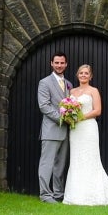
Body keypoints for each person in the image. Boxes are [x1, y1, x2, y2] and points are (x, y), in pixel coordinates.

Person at [62, 64, 108, 206]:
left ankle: (94, 194)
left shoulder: (94, 91)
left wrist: (80, 118)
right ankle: (75, 195)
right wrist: (68, 116)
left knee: (90, 159)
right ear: (77, 75)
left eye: (86, 73)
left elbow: (97, 111)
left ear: (90, 76)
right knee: (76, 159)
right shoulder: (72, 91)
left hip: (88, 128)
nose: (83, 75)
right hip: (75, 130)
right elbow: (67, 107)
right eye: (81, 73)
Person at [36, 53, 71, 203]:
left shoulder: (69, 84)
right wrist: (63, 119)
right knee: (47, 164)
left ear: (66, 64)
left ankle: (58, 194)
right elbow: (44, 106)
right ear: (51, 63)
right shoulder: (44, 82)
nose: (59, 65)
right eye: (56, 62)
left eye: (62, 63)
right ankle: (45, 195)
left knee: (60, 165)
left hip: (66, 132)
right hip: (51, 129)